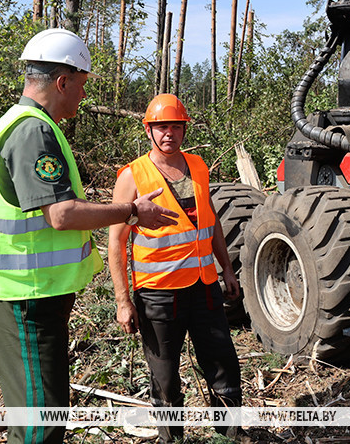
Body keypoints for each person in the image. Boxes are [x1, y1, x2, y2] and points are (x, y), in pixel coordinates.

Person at [0, 28, 179, 444]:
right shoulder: (32, 131)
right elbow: (60, 214)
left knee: (44, 413)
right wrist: (133, 211)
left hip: (31, 297)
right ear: (62, 82)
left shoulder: (30, 125)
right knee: (41, 425)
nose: (82, 95)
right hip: (24, 298)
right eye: (80, 84)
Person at [108, 94, 242, 442]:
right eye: (161, 127)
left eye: (175, 127)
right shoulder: (132, 175)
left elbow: (210, 222)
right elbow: (116, 243)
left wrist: (226, 268)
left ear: (184, 129)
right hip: (158, 294)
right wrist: (123, 301)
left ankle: (228, 433)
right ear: (149, 131)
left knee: (223, 364)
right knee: (165, 377)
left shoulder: (198, 166)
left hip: (204, 287)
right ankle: (172, 437)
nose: (169, 134)